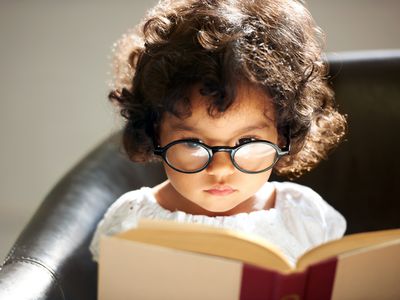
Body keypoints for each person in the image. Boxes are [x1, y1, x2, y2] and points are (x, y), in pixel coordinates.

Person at [89, 0, 347, 266]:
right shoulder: (132, 221)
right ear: (155, 133)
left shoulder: (304, 216)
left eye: (247, 141)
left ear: (282, 134)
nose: (220, 169)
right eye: (192, 143)